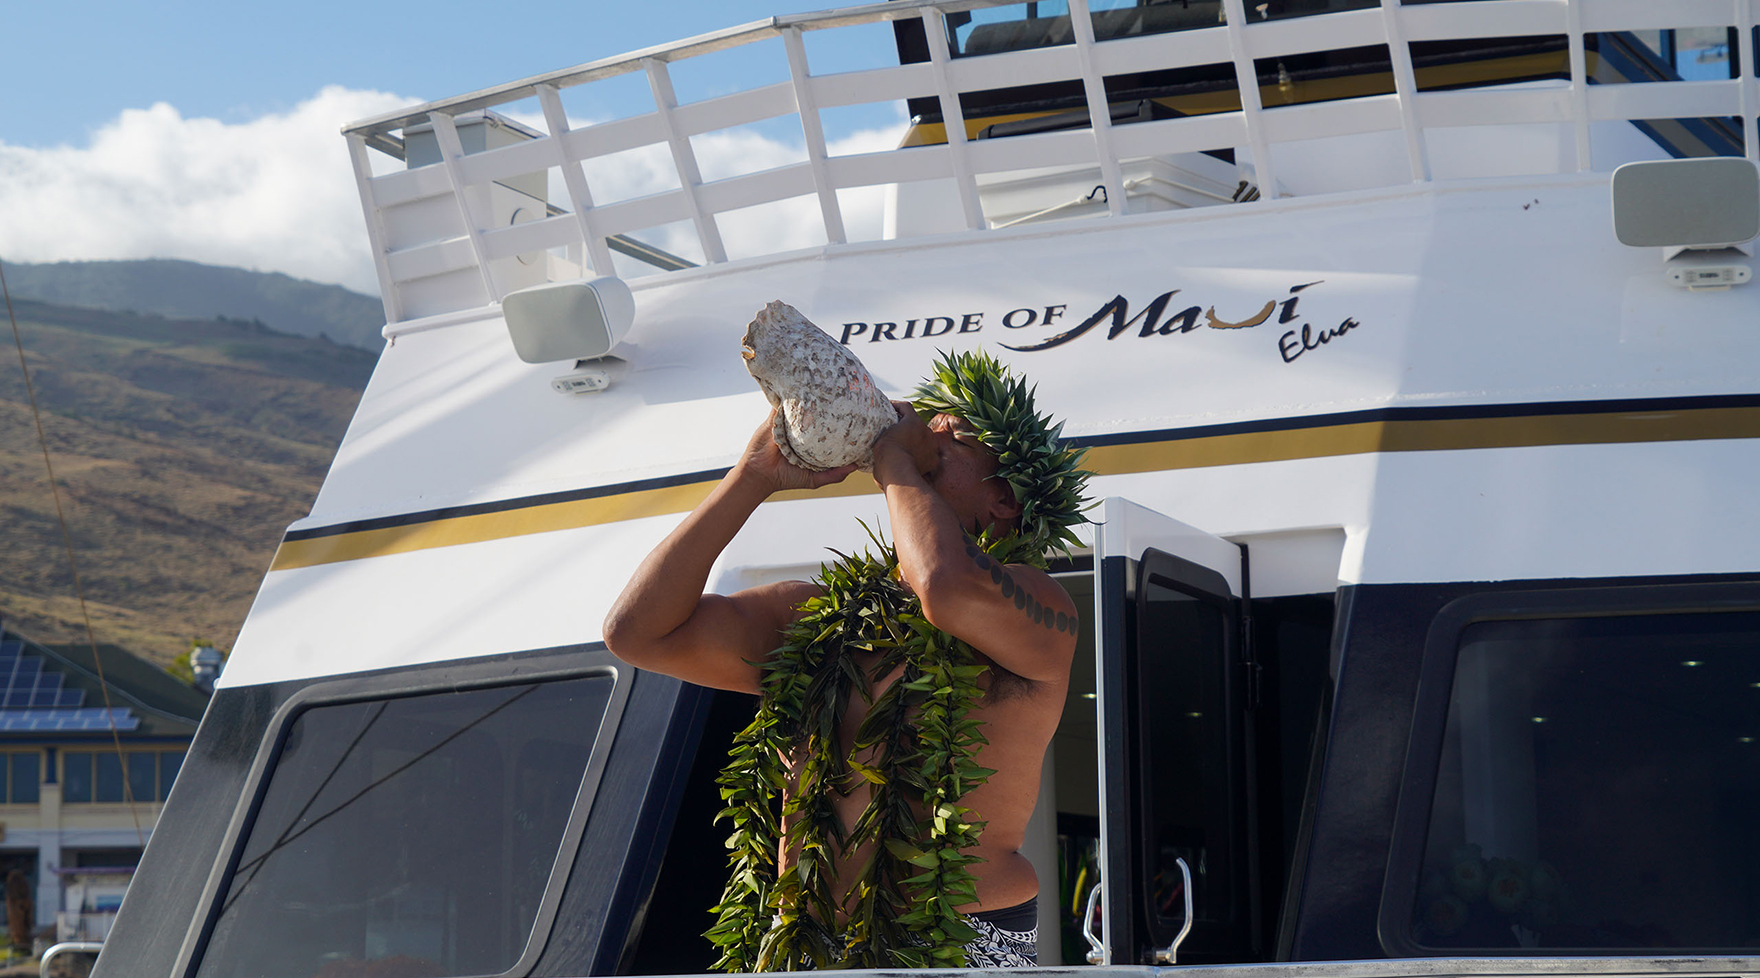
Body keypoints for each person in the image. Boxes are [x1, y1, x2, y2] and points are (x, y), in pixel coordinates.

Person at [603, 351, 1089, 969]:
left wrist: (893, 455)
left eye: (956, 430)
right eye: (930, 417)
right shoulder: (813, 616)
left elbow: (943, 584)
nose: (929, 424)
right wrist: (752, 476)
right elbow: (637, 634)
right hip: (808, 945)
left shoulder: (1042, 609)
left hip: (960, 937)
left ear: (1003, 502)